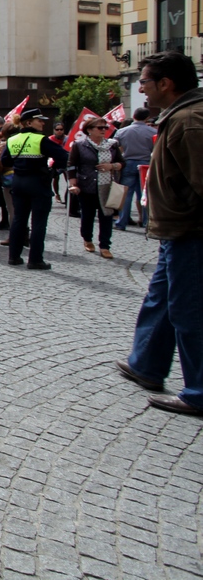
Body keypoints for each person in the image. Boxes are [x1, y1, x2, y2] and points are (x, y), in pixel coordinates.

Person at [118, 50, 203, 416]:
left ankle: (199, 391)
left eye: (145, 82)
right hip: (177, 231)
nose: (141, 89)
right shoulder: (179, 116)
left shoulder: (191, 121)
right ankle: (146, 363)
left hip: (192, 232)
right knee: (162, 300)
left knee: (189, 311)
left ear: (166, 84)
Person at [1, 107, 69, 270]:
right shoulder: (41, 140)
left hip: (18, 181)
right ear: (29, 122)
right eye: (40, 121)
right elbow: (64, 156)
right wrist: (53, 170)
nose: (43, 124)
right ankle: (35, 259)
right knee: (39, 222)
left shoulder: (12, 140)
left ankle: (14, 256)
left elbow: (5, 161)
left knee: (18, 220)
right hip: (38, 182)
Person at [66, 116, 123, 260]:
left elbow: (122, 163)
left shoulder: (112, 144)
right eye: (100, 128)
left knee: (107, 216)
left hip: (107, 185)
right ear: (89, 130)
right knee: (88, 215)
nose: (104, 130)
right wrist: (73, 183)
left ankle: (105, 245)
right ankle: (87, 239)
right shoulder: (79, 145)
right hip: (87, 186)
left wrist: (112, 166)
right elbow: (72, 165)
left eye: (105, 128)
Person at [114, 107, 155, 230]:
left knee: (126, 194)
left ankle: (121, 222)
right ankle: (146, 223)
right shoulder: (152, 131)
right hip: (145, 164)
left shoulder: (122, 131)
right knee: (144, 194)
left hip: (128, 162)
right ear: (147, 117)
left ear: (134, 115)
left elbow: (115, 147)